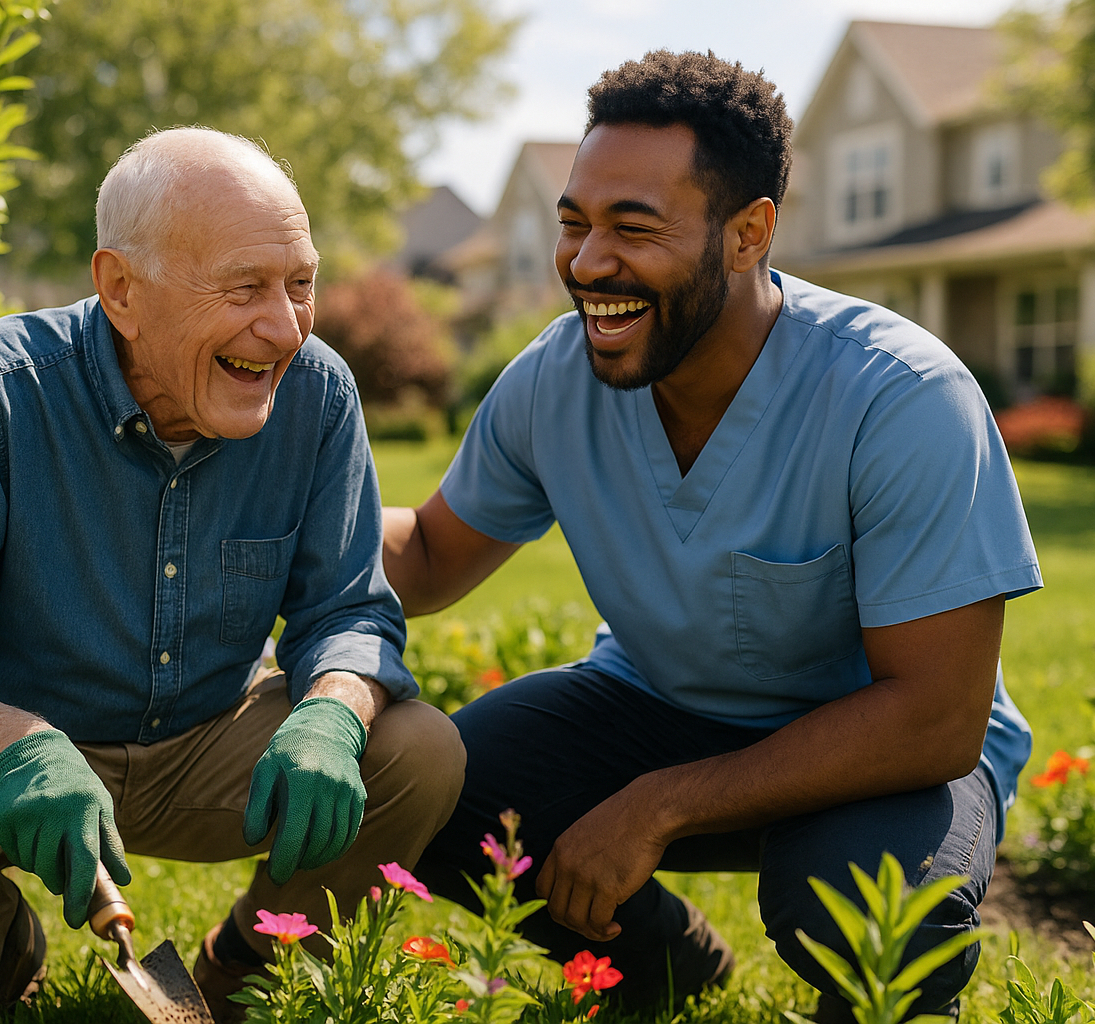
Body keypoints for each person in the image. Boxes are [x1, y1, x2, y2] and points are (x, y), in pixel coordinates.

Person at [385, 51, 1039, 1019]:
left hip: (886, 744)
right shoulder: (554, 382)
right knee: (444, 790)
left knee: (863, 906)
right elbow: (433, 557)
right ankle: (664, 966)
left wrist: (661, 806)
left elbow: (937, 717)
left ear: (749, 234)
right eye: (575, 224)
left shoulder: (900, 398)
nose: (587, 263)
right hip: (654, 706)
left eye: (633, 228)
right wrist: (296, 529)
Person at [0, 126, 465, 1024]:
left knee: (417, 752)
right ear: (121, 287)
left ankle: (253, 968)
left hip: (210, 738)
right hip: (20, 759)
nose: (283, 326)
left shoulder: (317, 394)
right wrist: (17, 745)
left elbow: (348, 610)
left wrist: (331, 711)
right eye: (244, 288)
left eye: (299, 283)